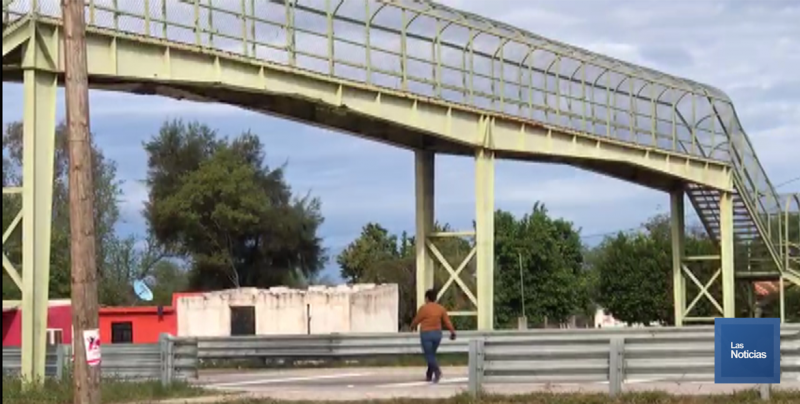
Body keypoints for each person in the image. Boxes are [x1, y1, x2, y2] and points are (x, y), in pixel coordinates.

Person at [410, 289, 456, 383]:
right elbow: (447, 322)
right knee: (431, 355)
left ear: (427, 298)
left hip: (426, 334)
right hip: (437, 335)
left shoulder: (424, 308)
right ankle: (429, 375)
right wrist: (452, 332)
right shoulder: (441, 309)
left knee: (429, 355)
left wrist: (412, 327)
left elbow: (416, 320)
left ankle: (437, 372)